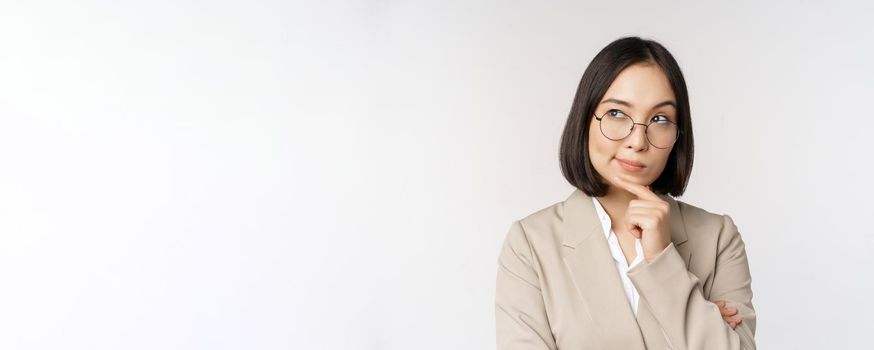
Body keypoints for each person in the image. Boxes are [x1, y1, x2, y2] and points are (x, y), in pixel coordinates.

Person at [495, 37, 755, 349]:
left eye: (660, 119)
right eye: (617, 113)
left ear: (678, 135)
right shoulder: (530, 243)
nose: (637, 140)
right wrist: (703, 321)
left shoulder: (718, 238)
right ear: (585, 118)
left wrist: (661, 259)